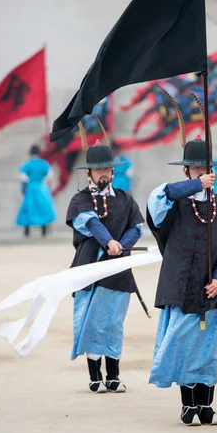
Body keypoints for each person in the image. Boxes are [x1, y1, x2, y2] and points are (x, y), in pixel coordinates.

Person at [147, 104, 217, 427]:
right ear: (185, 171)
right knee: (184, 345)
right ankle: (188, 407)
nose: (201, 173)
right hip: (180, 285)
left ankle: (206, 407)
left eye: (205, 169)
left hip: (211, 288)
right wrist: (195, 187)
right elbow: (158, 198)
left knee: (207, 349)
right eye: (195, 169)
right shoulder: (171, 200)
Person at [66, 135, 144, 394]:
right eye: (98, 169)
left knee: (113, 323)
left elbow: (136, 227)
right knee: (90, 322)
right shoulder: (81, 200)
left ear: (112, 171)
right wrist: (109, 241)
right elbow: (91, 223)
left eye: (106, 169)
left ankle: (113, 375)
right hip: (89, 269)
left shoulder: (125, 198)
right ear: (89, 173)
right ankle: (94, 376)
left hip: (119, 269)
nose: (103, 173)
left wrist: (121, 245)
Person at [16, 145, 56, 237]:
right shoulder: (44, 164)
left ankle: (27, 230)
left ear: (30, 153)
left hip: (31, 187)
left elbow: (22, 176)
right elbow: (50, 175)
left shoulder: (27, 164)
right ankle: (43, 229)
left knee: (29, 207)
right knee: (42, 207)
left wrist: (23, 187)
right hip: (42, 187)